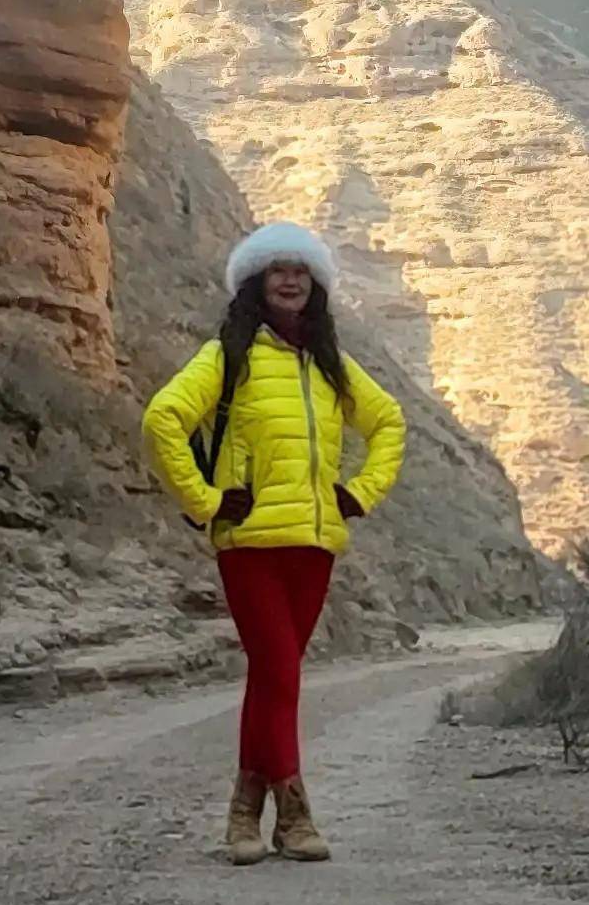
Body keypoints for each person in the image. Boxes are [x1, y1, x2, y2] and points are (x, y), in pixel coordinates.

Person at [140, 222, 404, 865]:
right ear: (255, 283)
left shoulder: (330, 364)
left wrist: (358, 492)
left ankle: (242, 815)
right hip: (250, 542)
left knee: (272, 676)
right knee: (281, 671)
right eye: (277, 270)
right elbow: (162, 418)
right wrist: (205, 502)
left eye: (301, 270)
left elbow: (389, 422)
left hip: (315, 543)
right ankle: (293, 813)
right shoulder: (228, 355)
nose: (290, 279)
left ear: (315, 286)